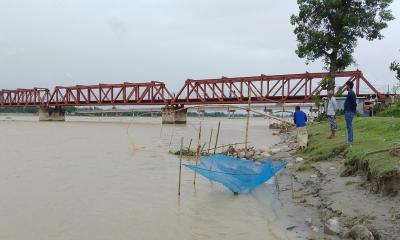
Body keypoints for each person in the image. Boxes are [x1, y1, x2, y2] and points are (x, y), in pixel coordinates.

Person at [344, 81, 357, 145]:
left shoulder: (351, 93)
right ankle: (349, 140)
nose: (346, 87)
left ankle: (350, 140)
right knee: (348, 126)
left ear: (349, 86)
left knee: (349, 126)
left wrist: (353, 111)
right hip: (348, 111)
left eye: (346, 85)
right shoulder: (350, 93)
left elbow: (354, 103)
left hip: (349, 112)